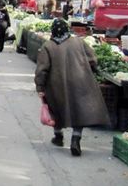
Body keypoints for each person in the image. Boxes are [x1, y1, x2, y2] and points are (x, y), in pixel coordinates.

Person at [35, 18, 110, 156]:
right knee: (78, 110)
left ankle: (58, 137)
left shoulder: (48, 46)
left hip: (56, 85)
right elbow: (93, 59)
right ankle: (76, 139)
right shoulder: (78, 41)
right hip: (80, 81)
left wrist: (40, 87)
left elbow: (42, 69)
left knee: (55, 108)